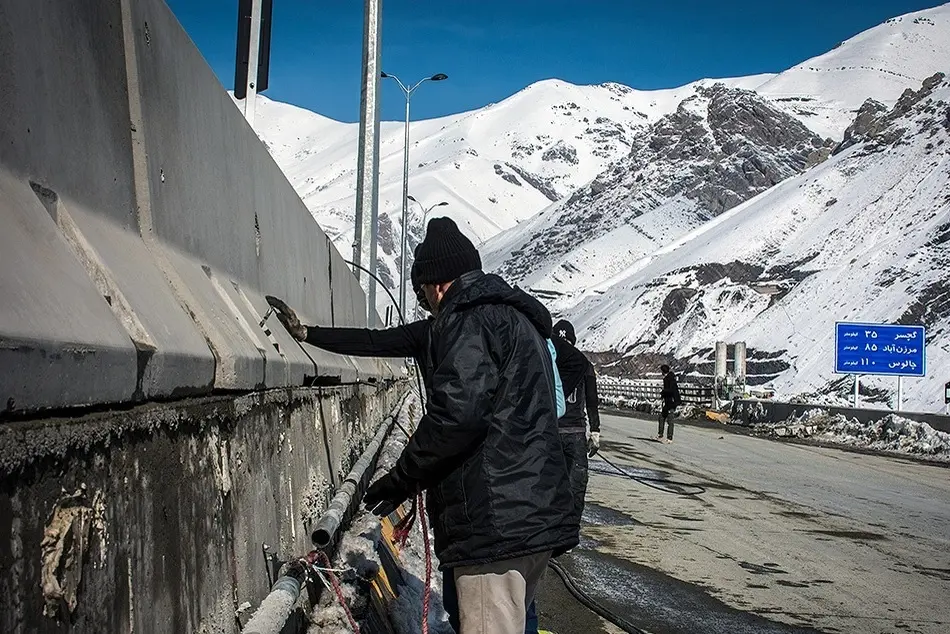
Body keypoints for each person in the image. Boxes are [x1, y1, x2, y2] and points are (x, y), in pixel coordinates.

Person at [270, 218, 576, 634]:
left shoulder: (467, 323)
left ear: (436, 285)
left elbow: (457, 418)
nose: (426, 305)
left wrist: (401, 479)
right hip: (530, 515)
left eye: (422, 294)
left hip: (494, 525)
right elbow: (379, 342)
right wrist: (310, 334)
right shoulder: (513, 321)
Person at [523, 318, 602, 634]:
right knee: (563, 485)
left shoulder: (573, 365)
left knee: (568, 485)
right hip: (558, 432)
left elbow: (591, 396)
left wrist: (594, 428)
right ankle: (557, 532)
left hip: (568, 432)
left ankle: (562, 532)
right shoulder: (556, 361)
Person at [657, 364, 682, 443]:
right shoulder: (670, 378)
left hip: (671, 402)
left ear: (663, 371)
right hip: (669, 401)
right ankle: (661, 435)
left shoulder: (669, 379)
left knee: (670, 420)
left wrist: (663, 392)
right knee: (662, 417)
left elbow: (671, 390)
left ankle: (669, 438)